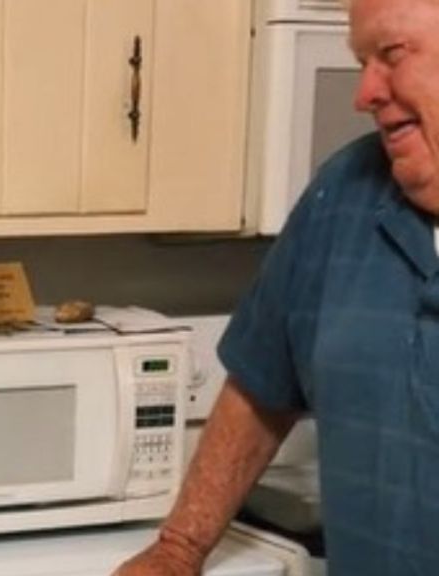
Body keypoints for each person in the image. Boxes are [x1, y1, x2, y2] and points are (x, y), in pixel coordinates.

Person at [115, 0, 439, 573]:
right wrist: (179, 548)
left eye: (390, 54)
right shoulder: (343, 193)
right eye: (362, 60)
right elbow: (263, 383)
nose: (364, 93)